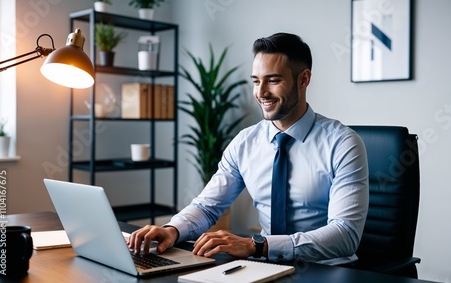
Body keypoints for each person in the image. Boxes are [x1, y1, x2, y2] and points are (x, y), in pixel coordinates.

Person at [128, 32, 369, 265]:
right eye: (256, 81)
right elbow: (207, 207)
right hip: (264, 267)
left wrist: (259, 246)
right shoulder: (245, 142)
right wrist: (172, 230)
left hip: (327, 270)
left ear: (304, 79)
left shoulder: (343, 144)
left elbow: (345, 235)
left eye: (273, 80)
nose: (261, 92)